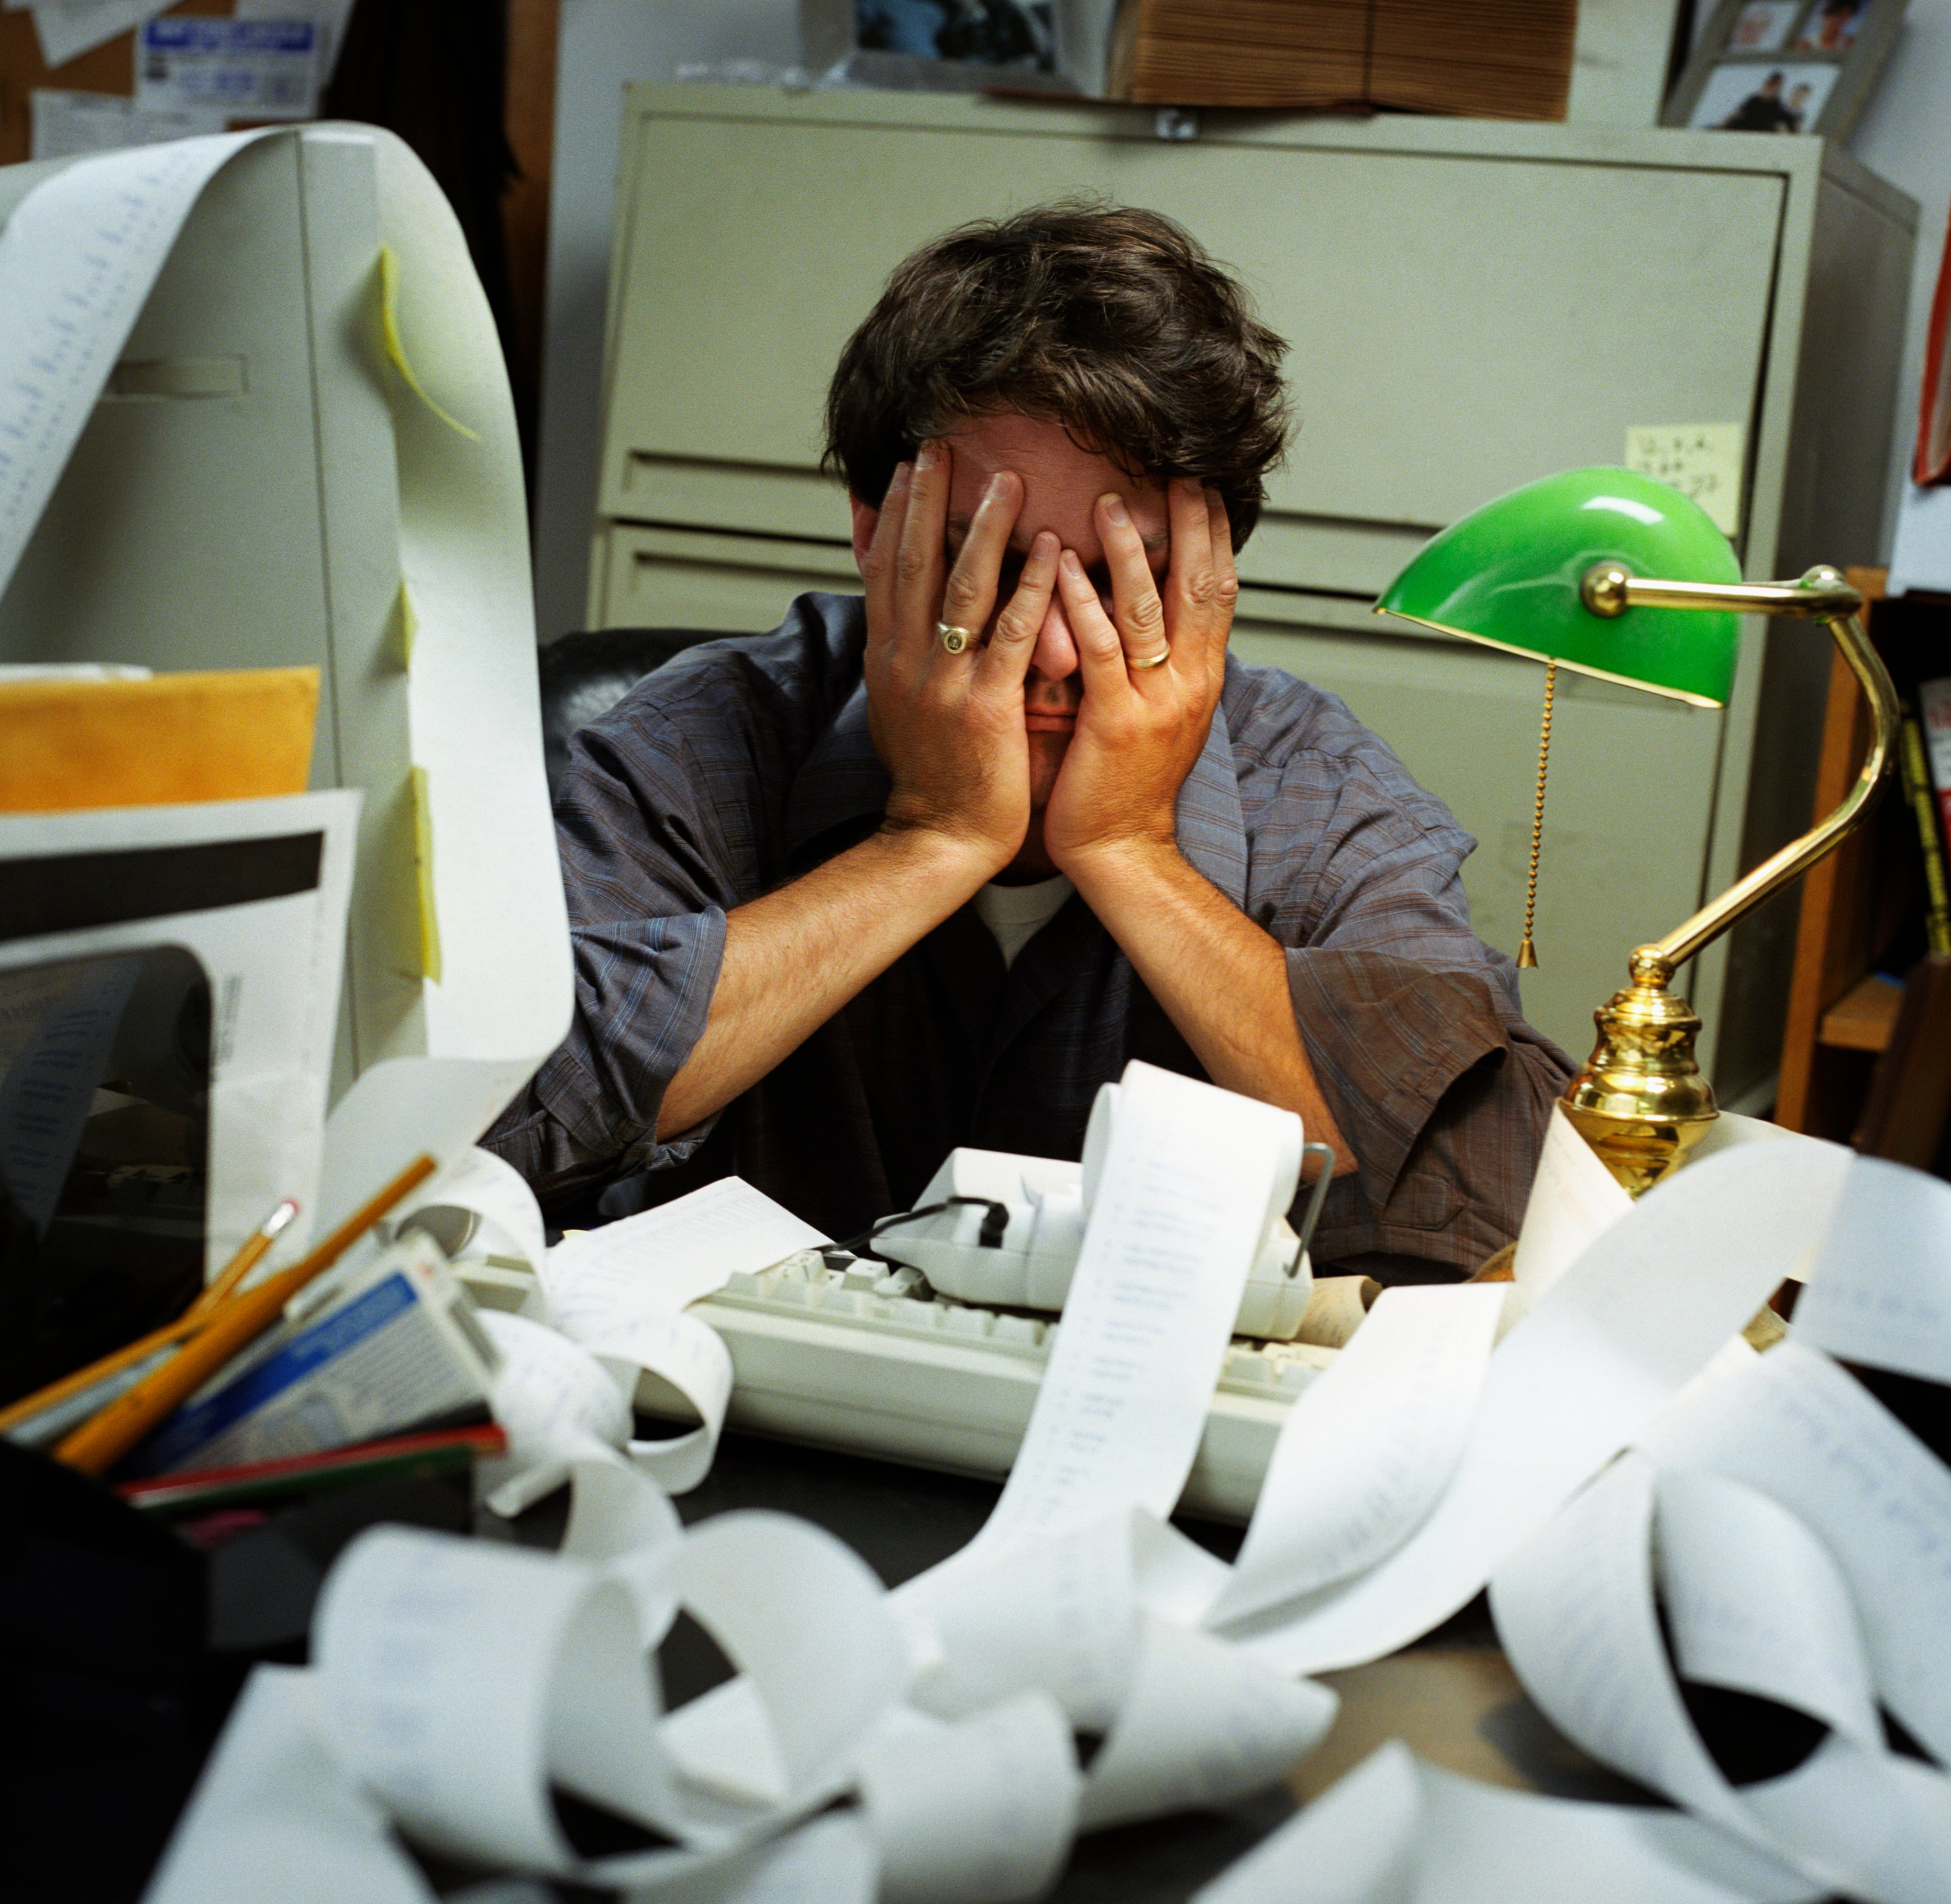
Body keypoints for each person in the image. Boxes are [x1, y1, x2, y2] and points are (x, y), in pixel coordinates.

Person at [489, 204, 1571, 1283]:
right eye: (993, 565)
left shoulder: (1317, 787)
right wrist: (931, 839)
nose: (1053, 648)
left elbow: (1488, 1206)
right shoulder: (699, 739)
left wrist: (1134, 852)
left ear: (1212, 574)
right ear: (873, 530)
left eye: (1116, 580)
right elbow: (486, 1116)